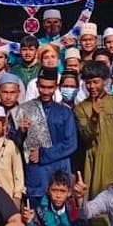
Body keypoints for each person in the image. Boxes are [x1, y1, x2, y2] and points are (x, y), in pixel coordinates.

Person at [16, 71, 78, 202]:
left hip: (59, 172)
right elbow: (16, 145)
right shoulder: (25, 109)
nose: (45, 91)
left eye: (50, 87)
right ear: (37, 85)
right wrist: (21, 132)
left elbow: (71, 144)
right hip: (37, 175)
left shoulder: (65, 112)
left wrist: (43, 154)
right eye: (42, 87)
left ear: (56, 87)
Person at [74, 63, 113, 201]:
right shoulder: (81, 108)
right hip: (93, 162)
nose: (92, 86)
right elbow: (86, 136)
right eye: (88, 83)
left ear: (105, 81)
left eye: (96, 82)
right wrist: (94, 117)